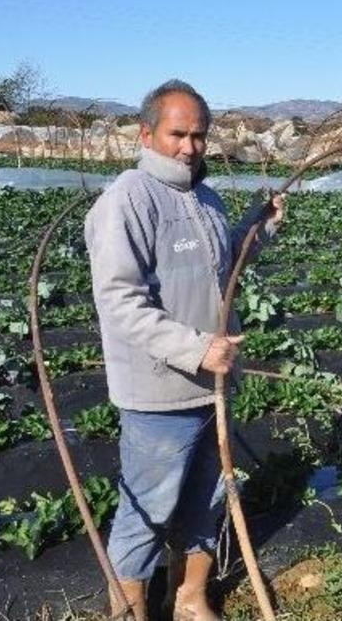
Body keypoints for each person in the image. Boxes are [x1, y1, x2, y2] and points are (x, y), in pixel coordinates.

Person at [84, 79, 284, 621]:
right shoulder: (128, 199)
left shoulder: (206, 197)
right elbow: (120, 302)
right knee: (148, 508)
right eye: (178, 134)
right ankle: (130, 611)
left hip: (212, 381)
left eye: (199, 135)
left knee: (208, 497)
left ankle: (191, 598)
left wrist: (257, 228)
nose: (189, 147)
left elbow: (222, 268)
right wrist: (196, 349)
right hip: (158, 390)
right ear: (146, 133)